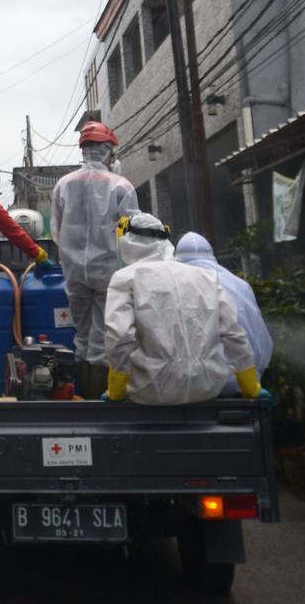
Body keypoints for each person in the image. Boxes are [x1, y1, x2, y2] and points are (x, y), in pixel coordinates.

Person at [102, 213, 269, 405]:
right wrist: (251, 386)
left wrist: (116, 389)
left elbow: (120, 335)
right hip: (207, 387)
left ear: (128, 242)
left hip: (151, 390)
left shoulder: (124, 278)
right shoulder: (207, 276)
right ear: (165, 240)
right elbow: (233, 333)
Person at [50, 121, 139, 398]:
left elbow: (56, 230)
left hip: (74, 272)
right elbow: (131, 231)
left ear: (85, 150)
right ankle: (99, 402)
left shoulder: (63, 185)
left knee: (82, 335)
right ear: (108, 151)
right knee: (103, 337)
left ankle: (83, 397)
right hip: (110, 272)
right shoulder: (121, 186)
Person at [175, 232, 274, 395]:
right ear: (211, 256)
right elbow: (259, 340)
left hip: (181, 388)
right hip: (237, 385)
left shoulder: (170, 287)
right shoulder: (239, 286)